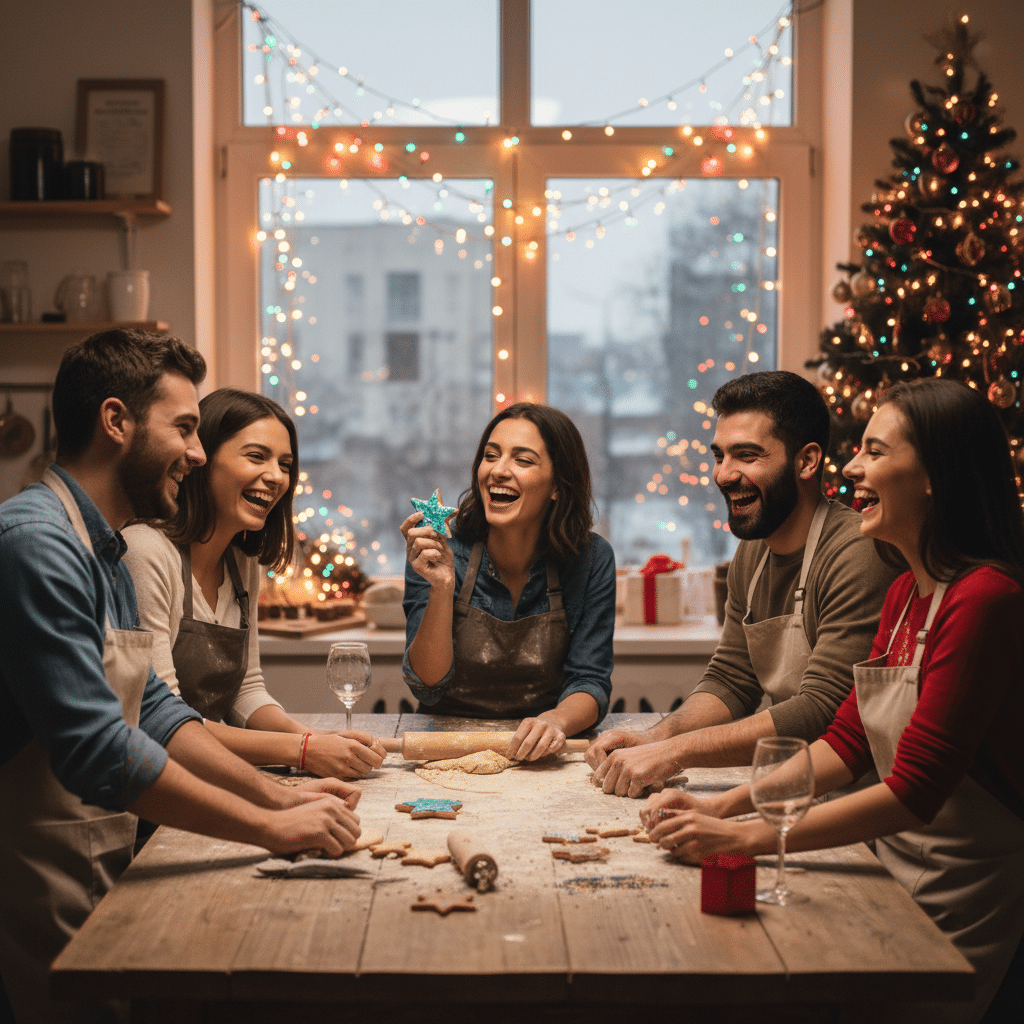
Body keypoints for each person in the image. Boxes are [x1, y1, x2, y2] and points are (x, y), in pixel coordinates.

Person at [0, 330, 362, 1024]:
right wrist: (270, 826)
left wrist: (280, 798)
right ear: (116, 421)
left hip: (96, 853)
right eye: (187, 428)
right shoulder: (37, 544)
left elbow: (160, 712)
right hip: (32, 870)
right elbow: (99, 747)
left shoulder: (102, 545)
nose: (196, 454)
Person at [642, 378, 1024, 1024]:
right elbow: (845, 744)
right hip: (890, 868)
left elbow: (915, 790)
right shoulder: (907, 593)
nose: (854, 466)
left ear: (935, 474)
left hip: (968, 891)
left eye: (875, 452)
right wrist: (725, 802)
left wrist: (740, 835)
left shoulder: (985, 600)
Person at [587, 370, 898, 797]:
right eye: (719, 456)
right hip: (788, 787)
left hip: (856, 801)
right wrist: (656, 736)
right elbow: (733, 679)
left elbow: (822, 710)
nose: (723, 475)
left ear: (806, 461)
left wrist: (676, 752)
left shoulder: (855, 553)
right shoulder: (751, 554)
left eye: (747, 456)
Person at [123, 389, 384, 781]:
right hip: (157, 789)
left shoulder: (242, 564)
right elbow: (162, 719)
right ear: (203, 458)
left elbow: (247, 689)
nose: (277, 477)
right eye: (256, 456)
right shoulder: (146, 552)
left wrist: (317, 739)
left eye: (285, 464)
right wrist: (305, 750)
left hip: (214, 776)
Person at [400, 402, 615, 762]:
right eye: (491, 455)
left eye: (523, 460)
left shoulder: (590, 559)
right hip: (446, 752)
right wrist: (441, 587)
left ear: (558, 486)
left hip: (545, 754)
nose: (498, 471)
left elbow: (590, 681)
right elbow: (428, 686)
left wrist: (555, 722)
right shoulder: (439, 549)